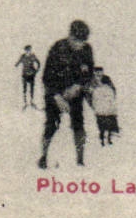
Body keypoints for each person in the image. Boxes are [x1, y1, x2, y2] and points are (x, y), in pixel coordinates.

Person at [39, 19, 96, 169]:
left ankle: (80, 159)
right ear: (70, 36)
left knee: (79, 124)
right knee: (51, 124)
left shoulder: (86, 50)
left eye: (83, 41)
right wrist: (57, 97)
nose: (80, 45)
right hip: (55, 92)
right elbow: (46, 78)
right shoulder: (57, 49)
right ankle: (44, 156)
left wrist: (78, 86)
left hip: (75, 92)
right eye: (77, 41)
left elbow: (89, 74)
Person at [88, 69, 119, 146]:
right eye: (97, 71)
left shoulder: (106, 79)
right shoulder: (92, 81)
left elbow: (113, 90)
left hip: (107, 105)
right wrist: (92, 104)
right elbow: (89, 93)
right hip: (99, 105)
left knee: (109, 120)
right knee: (101, 121)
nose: (98, 73)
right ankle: (102, 137)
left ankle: (109, 136)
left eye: (100, 71)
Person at [16, 44, 40, 109]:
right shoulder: (23, 56)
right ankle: (25, 102)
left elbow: (38, 63)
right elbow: (17, 63)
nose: (28, 51)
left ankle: (32, 101)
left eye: (29, 50)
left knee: (32, 88)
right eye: (27, 50)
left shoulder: (33, 56)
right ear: (25, 50)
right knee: (25, 88)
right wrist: (16, 65)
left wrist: (36, 70)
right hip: (24, 75)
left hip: (32, 75)